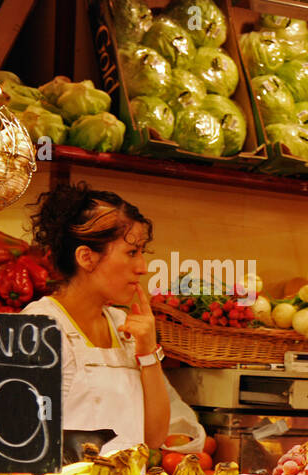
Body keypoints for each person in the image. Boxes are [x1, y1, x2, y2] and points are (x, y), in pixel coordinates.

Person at [24, 182, 199, 455]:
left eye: (142, 252)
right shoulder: (39, 327)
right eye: (132, 252)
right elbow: (21, 447)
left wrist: (148, 354)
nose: (142, 268)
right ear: (86, 257)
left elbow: (153, 438)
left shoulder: (123, 325)